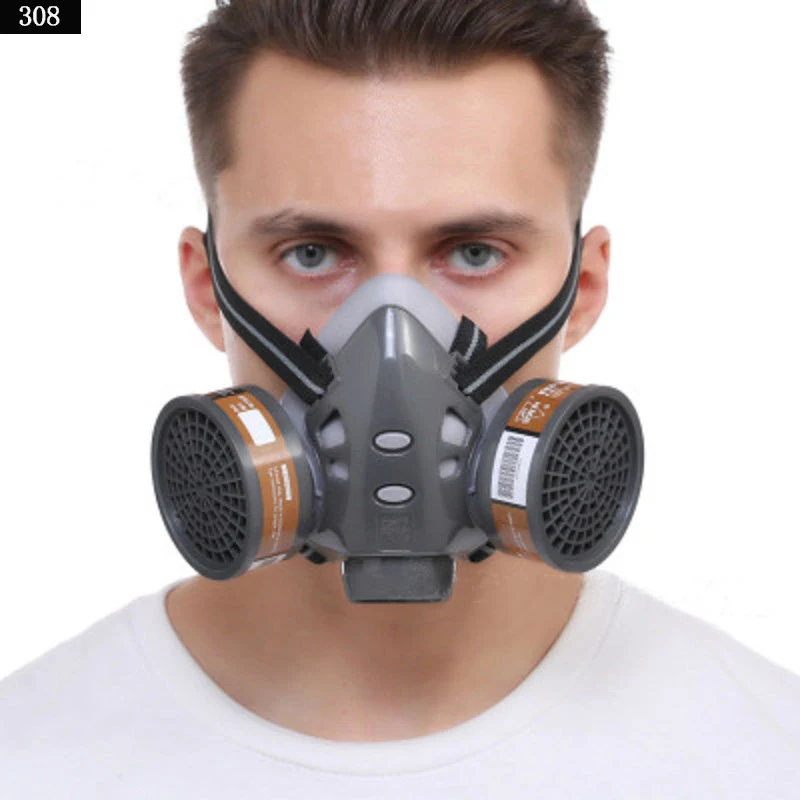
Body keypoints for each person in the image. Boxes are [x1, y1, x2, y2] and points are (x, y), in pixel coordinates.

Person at [1, 0, 798, 796]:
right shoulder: (30, 757)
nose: (390, 338)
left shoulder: (763, 755)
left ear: (582, 289)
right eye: (312, 253)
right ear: (208, 289)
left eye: (475, 252)